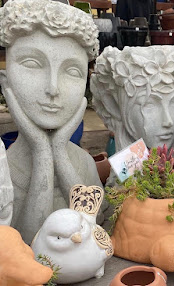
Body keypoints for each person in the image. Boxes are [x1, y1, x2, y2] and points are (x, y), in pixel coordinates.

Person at [0, 0, 102, 242]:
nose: (53, 88)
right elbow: (25, 248)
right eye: (33, 64)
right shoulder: (4, 172)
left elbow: (95, 233)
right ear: (6, 81)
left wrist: (57, 150)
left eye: (72, 71)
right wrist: (42, 153)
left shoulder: (85, 165)